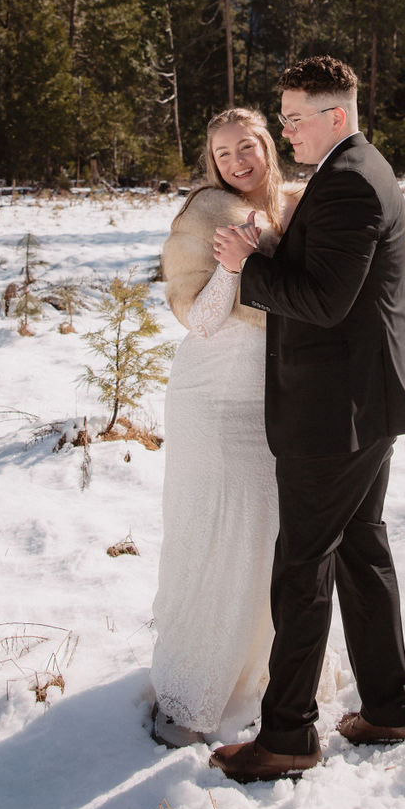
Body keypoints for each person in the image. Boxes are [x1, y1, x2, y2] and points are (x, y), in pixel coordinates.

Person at [209, 55, 405, 783]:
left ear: (334, 117)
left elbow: (325, 299)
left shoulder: (348, 183)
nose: (285, 130)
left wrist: (249, 263)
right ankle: (390, 707)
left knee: (303, 563)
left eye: (295, 117)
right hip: (366, 399)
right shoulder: (360, 168)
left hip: (337, 410)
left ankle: (288, 736)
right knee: (360, 549)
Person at [150, 107, 302, 748]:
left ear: (268, 144)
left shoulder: (296, 203)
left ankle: (261, 676)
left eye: (247, 146)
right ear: (210, 163)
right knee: (216, 532)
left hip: (274, 393)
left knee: (265, 535)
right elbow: (203, 320)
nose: (237, 161)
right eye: (222, 153)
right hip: (213, 398)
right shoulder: (207, 214)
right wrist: (237, 261)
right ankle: (197, 692)